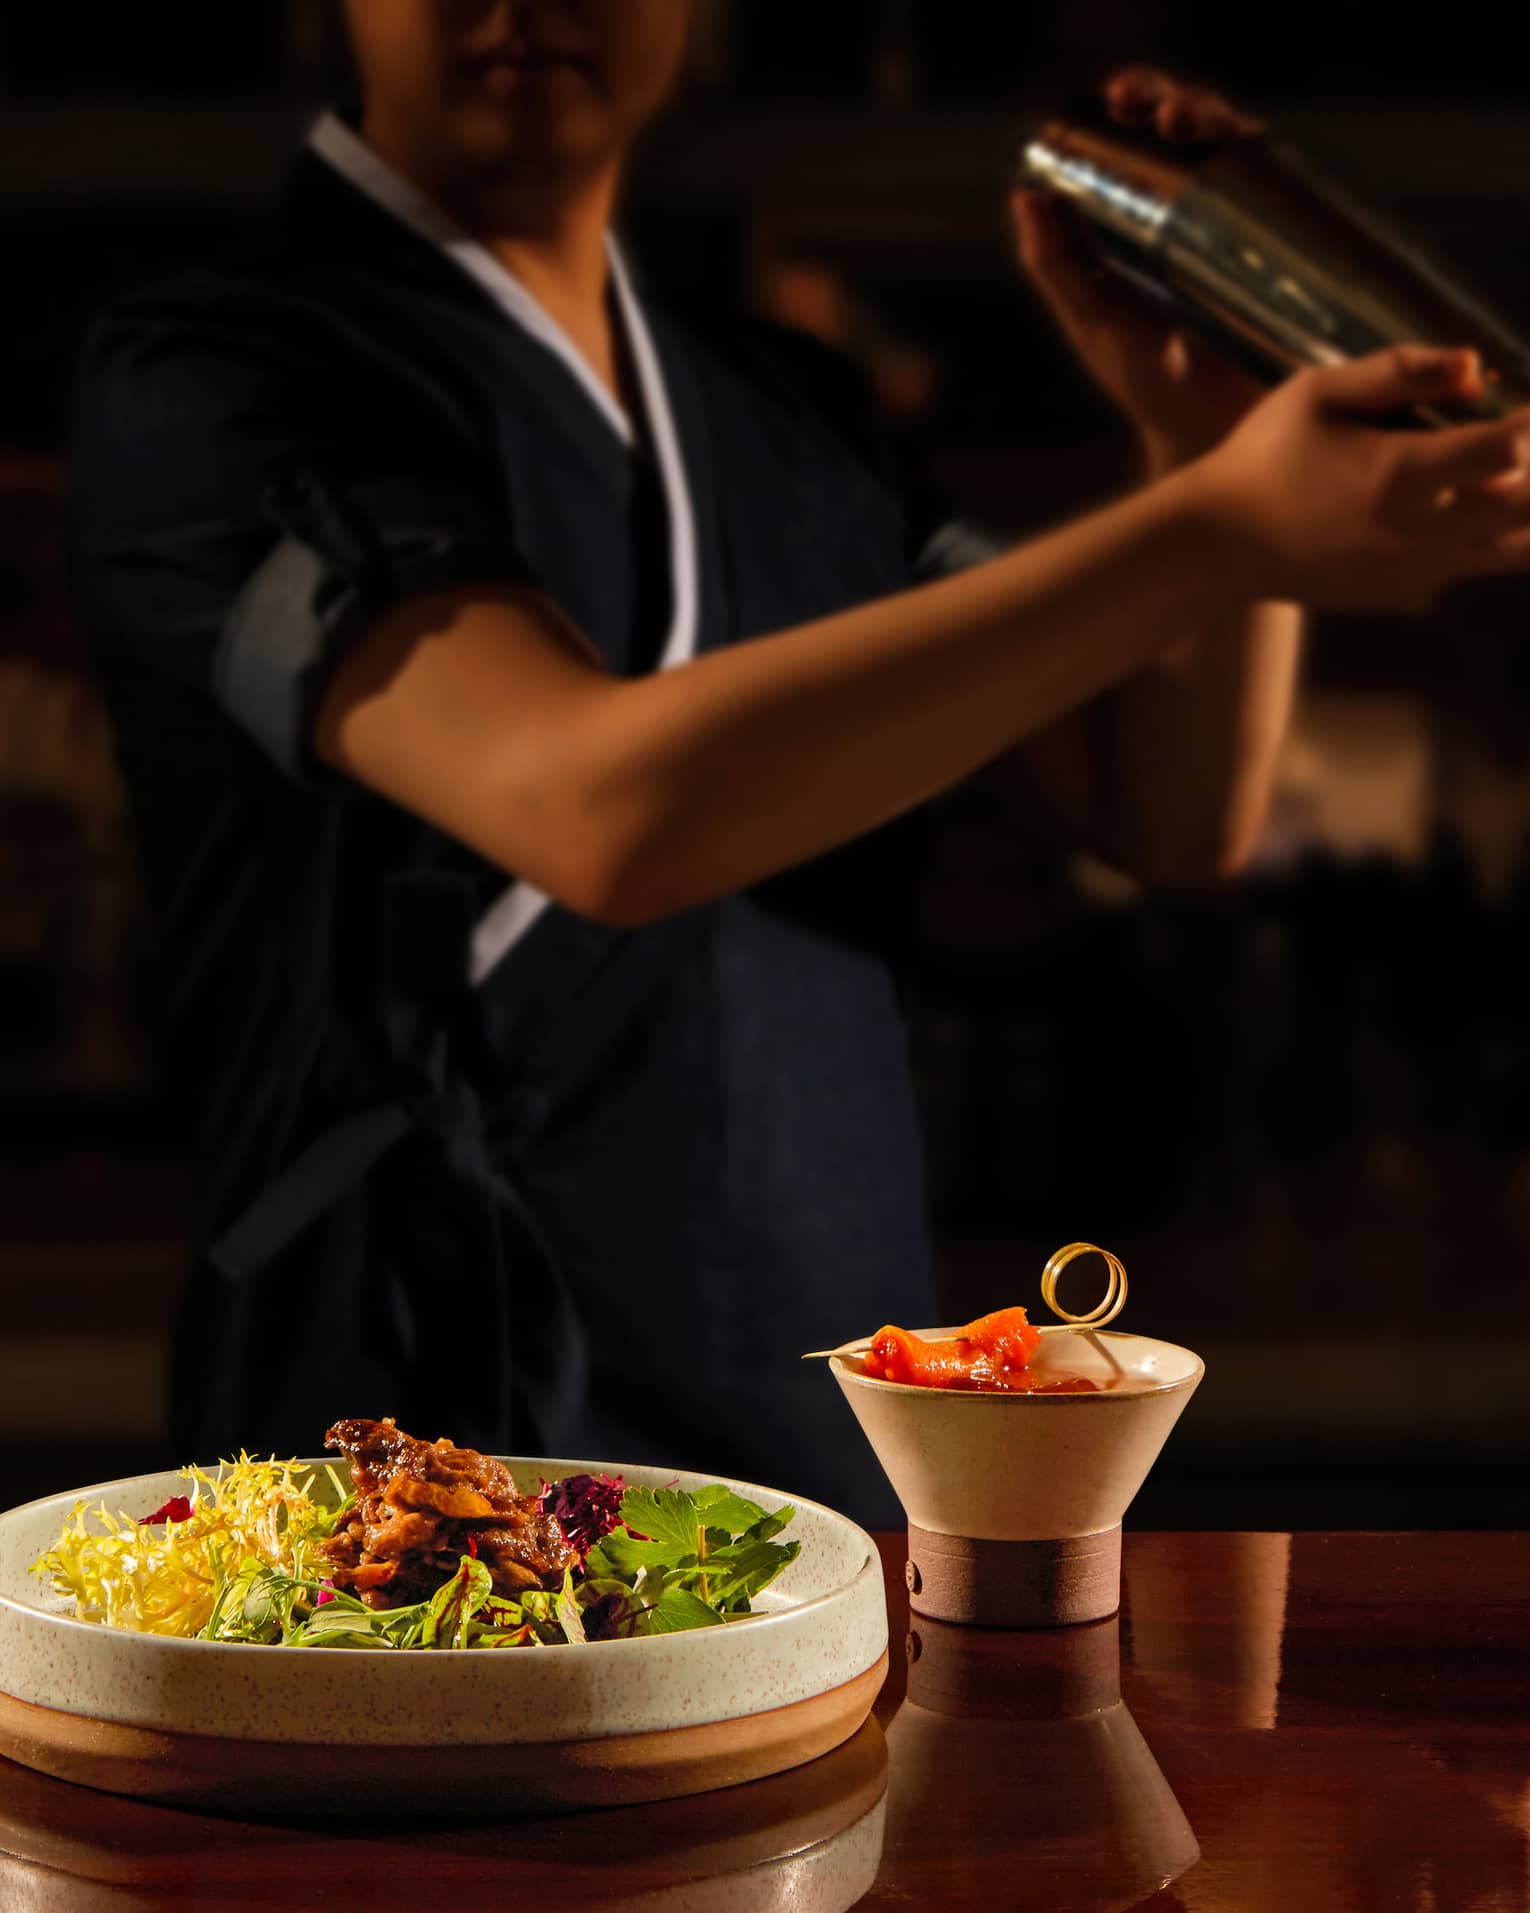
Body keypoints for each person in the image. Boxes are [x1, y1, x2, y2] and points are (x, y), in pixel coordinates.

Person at [67, 7, 1530, 1528]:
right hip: (408, 1438)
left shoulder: (793, 413)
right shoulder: (208, 376)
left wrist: (1197, 437)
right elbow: (596, 807)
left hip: (812, 1435)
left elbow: (1165, 807)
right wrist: (1221, 526)